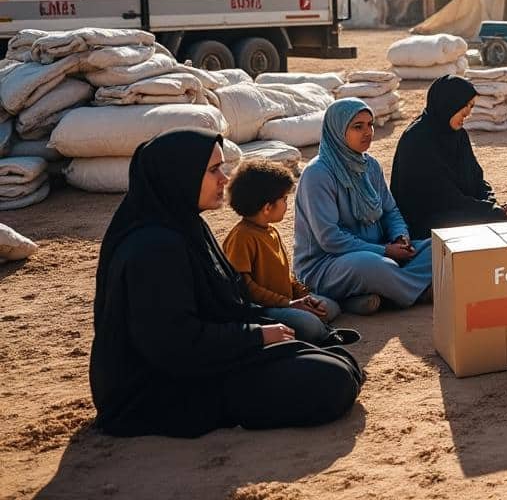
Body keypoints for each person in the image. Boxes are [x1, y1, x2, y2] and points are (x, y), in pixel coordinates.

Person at [90, 129, 363, 438]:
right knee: (332, 379)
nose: (224, 178)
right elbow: (174, 345)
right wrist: (256, 337)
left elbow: (228, 301)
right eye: (212, 170)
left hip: (210, 357)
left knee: (337, 361)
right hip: (162, 388)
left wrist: (264, 328)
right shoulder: (153, 248)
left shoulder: (187, 226)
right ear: (180, 175)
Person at [294, 99, 433, 314]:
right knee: (372, 266)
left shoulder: (370, 166)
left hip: (380, 252)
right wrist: (385, 251)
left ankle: (380, 295)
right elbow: (330, 238)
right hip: (328, 264)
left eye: (370, 124)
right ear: (337, 130)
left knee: (436, 248)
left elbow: (390, 211)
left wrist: (400, 238)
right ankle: (417, 292)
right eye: (358, 127)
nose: (367, 132)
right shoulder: (318, 174)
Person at [223, 160, 354, 347]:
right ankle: (323, 333)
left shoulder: (271, 231)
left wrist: (304, 295)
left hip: (288, 303)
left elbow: (286, 277)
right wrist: (288, 304)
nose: (287, 204)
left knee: (328, 307)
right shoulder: (241, 237)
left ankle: (344, 305)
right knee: (309, 325)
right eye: (284, 200)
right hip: (265, 310)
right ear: (267, 207)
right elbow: (244, 288)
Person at [391, 75, 507, 239]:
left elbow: (477, 177)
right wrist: (486, 210)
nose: (468, 112)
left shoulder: (459, 135)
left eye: (472, 106)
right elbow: (440, 196)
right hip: (428, 219)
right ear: (449, 103)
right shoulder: (417, 139)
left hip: (459, 208)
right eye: (465, 105)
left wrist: (490, 201)